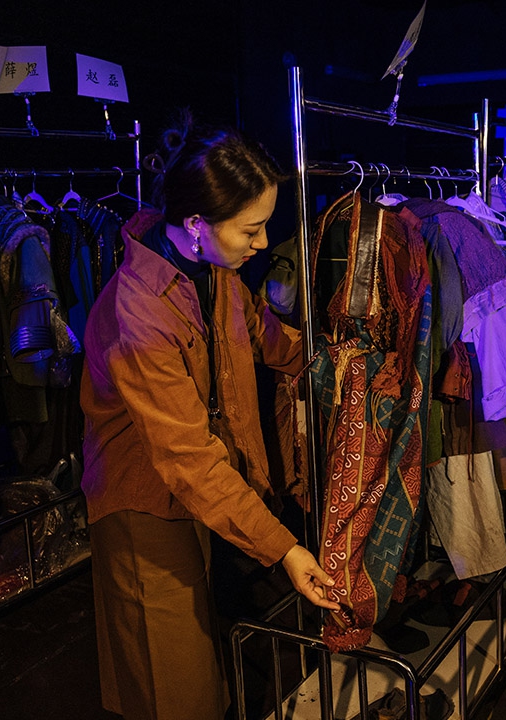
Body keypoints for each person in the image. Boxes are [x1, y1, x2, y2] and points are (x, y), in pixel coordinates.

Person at [80, 112, 338, 720]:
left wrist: (342, 361)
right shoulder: (138, 316)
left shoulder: (214, 273)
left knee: (198, 649)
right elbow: (187, 459)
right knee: (172, 672)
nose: (262, 243)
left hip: (200, 483)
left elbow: (266, 336)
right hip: (144, 497)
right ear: (197, 223)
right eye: (251, 229)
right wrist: (286, 550)